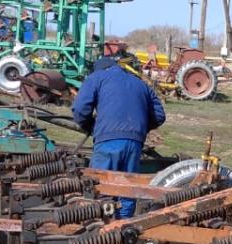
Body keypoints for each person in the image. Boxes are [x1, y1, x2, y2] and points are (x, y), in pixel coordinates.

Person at [71, 50, 166, 218]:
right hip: (134, 142)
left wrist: (90, 126)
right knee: (127, 189)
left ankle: (99, 232)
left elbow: (80, 109)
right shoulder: (141, 83)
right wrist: (139, 129)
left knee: (100, 186)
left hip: (108, 142)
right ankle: (123, 229)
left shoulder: (96, 78)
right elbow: (159, 115)